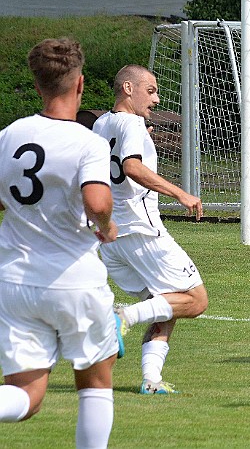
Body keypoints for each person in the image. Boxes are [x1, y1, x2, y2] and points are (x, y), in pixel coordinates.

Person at [0, 38, 120, 447]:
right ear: (81, 83)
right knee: (95, 383)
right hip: (74, 280)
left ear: (37, 85)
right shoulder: (88, 141)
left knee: (27, 397)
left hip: (15, 282)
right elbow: (96, 200)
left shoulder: (10, 135)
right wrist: (106, 224)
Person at [92, 64, 208, 395]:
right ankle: (123, 317)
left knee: (166, 303)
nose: (156, 99)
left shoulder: (102, 123)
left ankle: (150, 380)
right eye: (151, 90)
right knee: (196, 300)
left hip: (111, 237)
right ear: (128, 88)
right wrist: (179, 192)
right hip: (142, 232)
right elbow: (130, 166)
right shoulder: (131, 123)